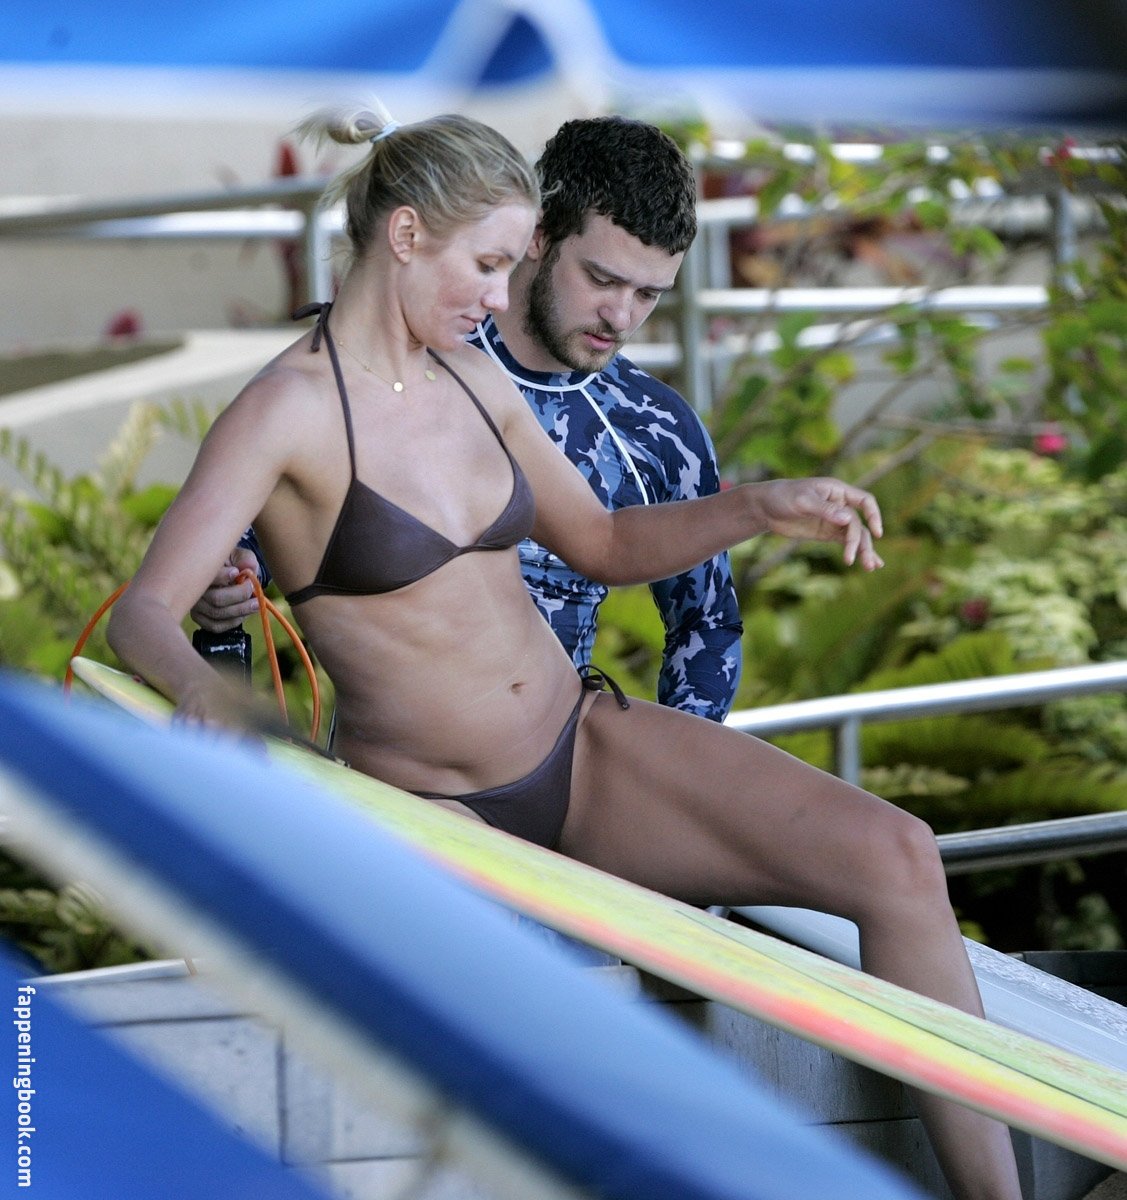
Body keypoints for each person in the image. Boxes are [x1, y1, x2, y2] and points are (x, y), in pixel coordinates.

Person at [107, 104, 1022, 1200]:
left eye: (511, 268)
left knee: (897, 855)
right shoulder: (285, 411)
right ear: (406, 235)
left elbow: (601, 544)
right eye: (488, 264)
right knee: (555, 1036)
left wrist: (758, 505)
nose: (499, 299)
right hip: (429, 810)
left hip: (576, 747)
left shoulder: (469, 375)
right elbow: (144, 611)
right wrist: (194, 685)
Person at [191, 116, 743, 723]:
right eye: (601, 279)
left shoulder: (660, 429)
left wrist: (668, 753)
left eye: (648, 294)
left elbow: (707, 620)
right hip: (401, 757)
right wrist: (227, 581)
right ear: (537, 235)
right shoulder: (409, 359)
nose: (621, 316)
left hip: (567, 749)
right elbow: (265, 529)